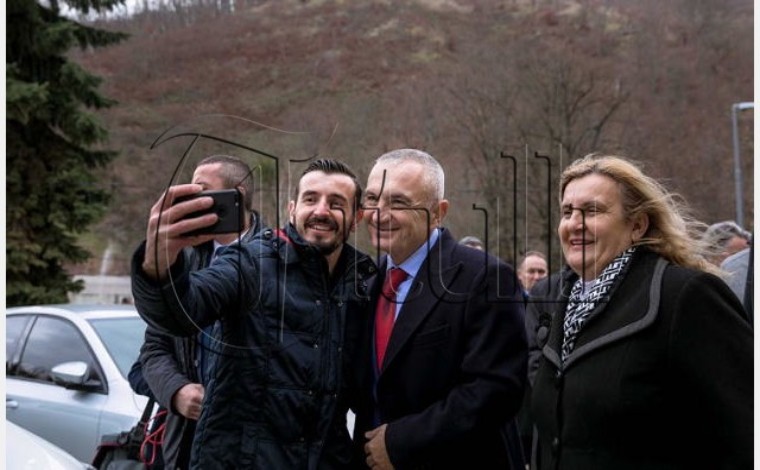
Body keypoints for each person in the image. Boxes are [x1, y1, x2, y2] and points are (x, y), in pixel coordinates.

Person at [131, 159, 376, 469]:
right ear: (292, 209)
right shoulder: (250, 262)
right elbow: (181, 313)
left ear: (356, 218)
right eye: (310, 199)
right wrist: (159, 263)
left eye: (336, 203)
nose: (321, 211)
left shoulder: (365, 282)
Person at [528, 155, 752, 469]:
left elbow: (742, 433)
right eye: (567, 212)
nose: (574, 224)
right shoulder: (563, 304)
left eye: (592, 210)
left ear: (637, 225)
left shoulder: (686, 295)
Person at [354, 148, 528, 469]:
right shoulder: (364, 281)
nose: (379, 213)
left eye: (398, 202)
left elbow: (496, 391)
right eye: (372, 198)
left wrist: (399, 441)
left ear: (438, 213)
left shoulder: (485, 277)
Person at [129, 154, 263, 470]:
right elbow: (152, 350)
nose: (191, 199)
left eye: (201, 190)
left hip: (248, 445)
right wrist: (176, 391)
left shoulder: (275, 259)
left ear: (237, 195)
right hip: (183, 443)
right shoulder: (181, 260)